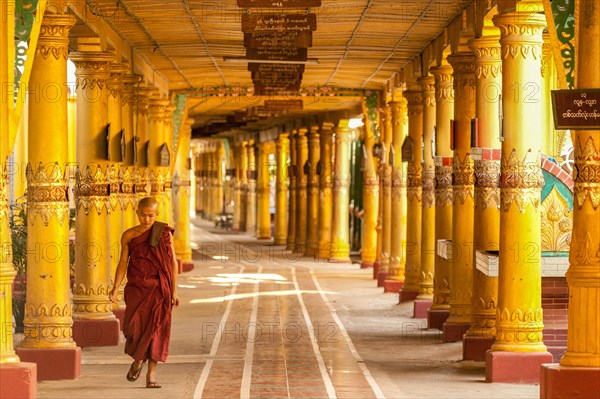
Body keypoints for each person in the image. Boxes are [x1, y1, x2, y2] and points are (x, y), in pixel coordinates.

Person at [108, 196, 180, 388]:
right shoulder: (129, 235)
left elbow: (172, 262)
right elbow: (123, 262)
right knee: (135, 329)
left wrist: (174, 291)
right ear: (137, 213)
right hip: (137, 289)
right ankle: (138, 360)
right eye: (143, 215)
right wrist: (115, 287)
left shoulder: (163, 232)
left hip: (160, 289)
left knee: (157, 330)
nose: (147, 220)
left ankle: (151, 376)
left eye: (151, 216)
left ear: (157, 215)